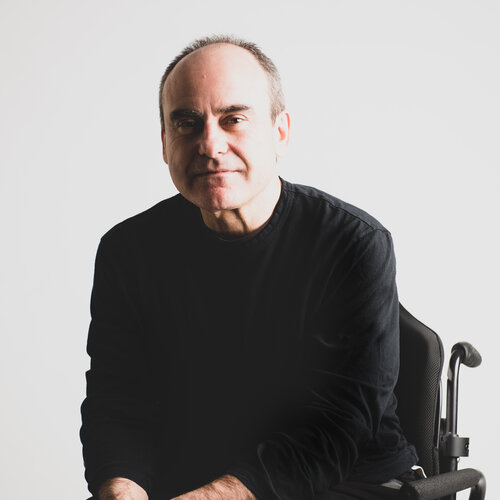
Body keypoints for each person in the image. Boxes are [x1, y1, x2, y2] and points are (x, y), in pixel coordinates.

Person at [80, 35, 421, 500]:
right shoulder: (127, 250)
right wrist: (122, 488)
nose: (210, 144)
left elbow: (339, 428)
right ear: (164, 144)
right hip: (196, 481)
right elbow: (118, 402)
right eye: (186, 123)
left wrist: (213, 496)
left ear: (280, 132)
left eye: (233, 119)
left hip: (348, 482)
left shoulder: (353, 244)